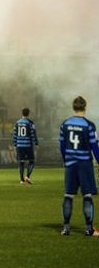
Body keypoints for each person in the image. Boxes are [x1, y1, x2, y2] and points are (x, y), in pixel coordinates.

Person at [59, 96, 99, 236]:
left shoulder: (65, 124)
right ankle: (89, 229)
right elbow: (94, 146)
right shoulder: (89, 125)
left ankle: (66, 228)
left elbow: (62, 145)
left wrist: (66, 160)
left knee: (68, 195)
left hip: (70, 163)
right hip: (85, 164)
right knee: (87, 195)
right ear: (85, 107)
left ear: (73, 107)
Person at [12, 108, 39, 184]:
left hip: (19, 145)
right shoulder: (30, 123)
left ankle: (21, 180)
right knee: (32, 161)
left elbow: (14, 134)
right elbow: (33, 133)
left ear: (22, 113)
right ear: (28, 113)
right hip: (28, 145)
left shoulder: (17, 123)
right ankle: (27, 176)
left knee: (21, 162)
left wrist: (15, 144)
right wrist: (36, 143)